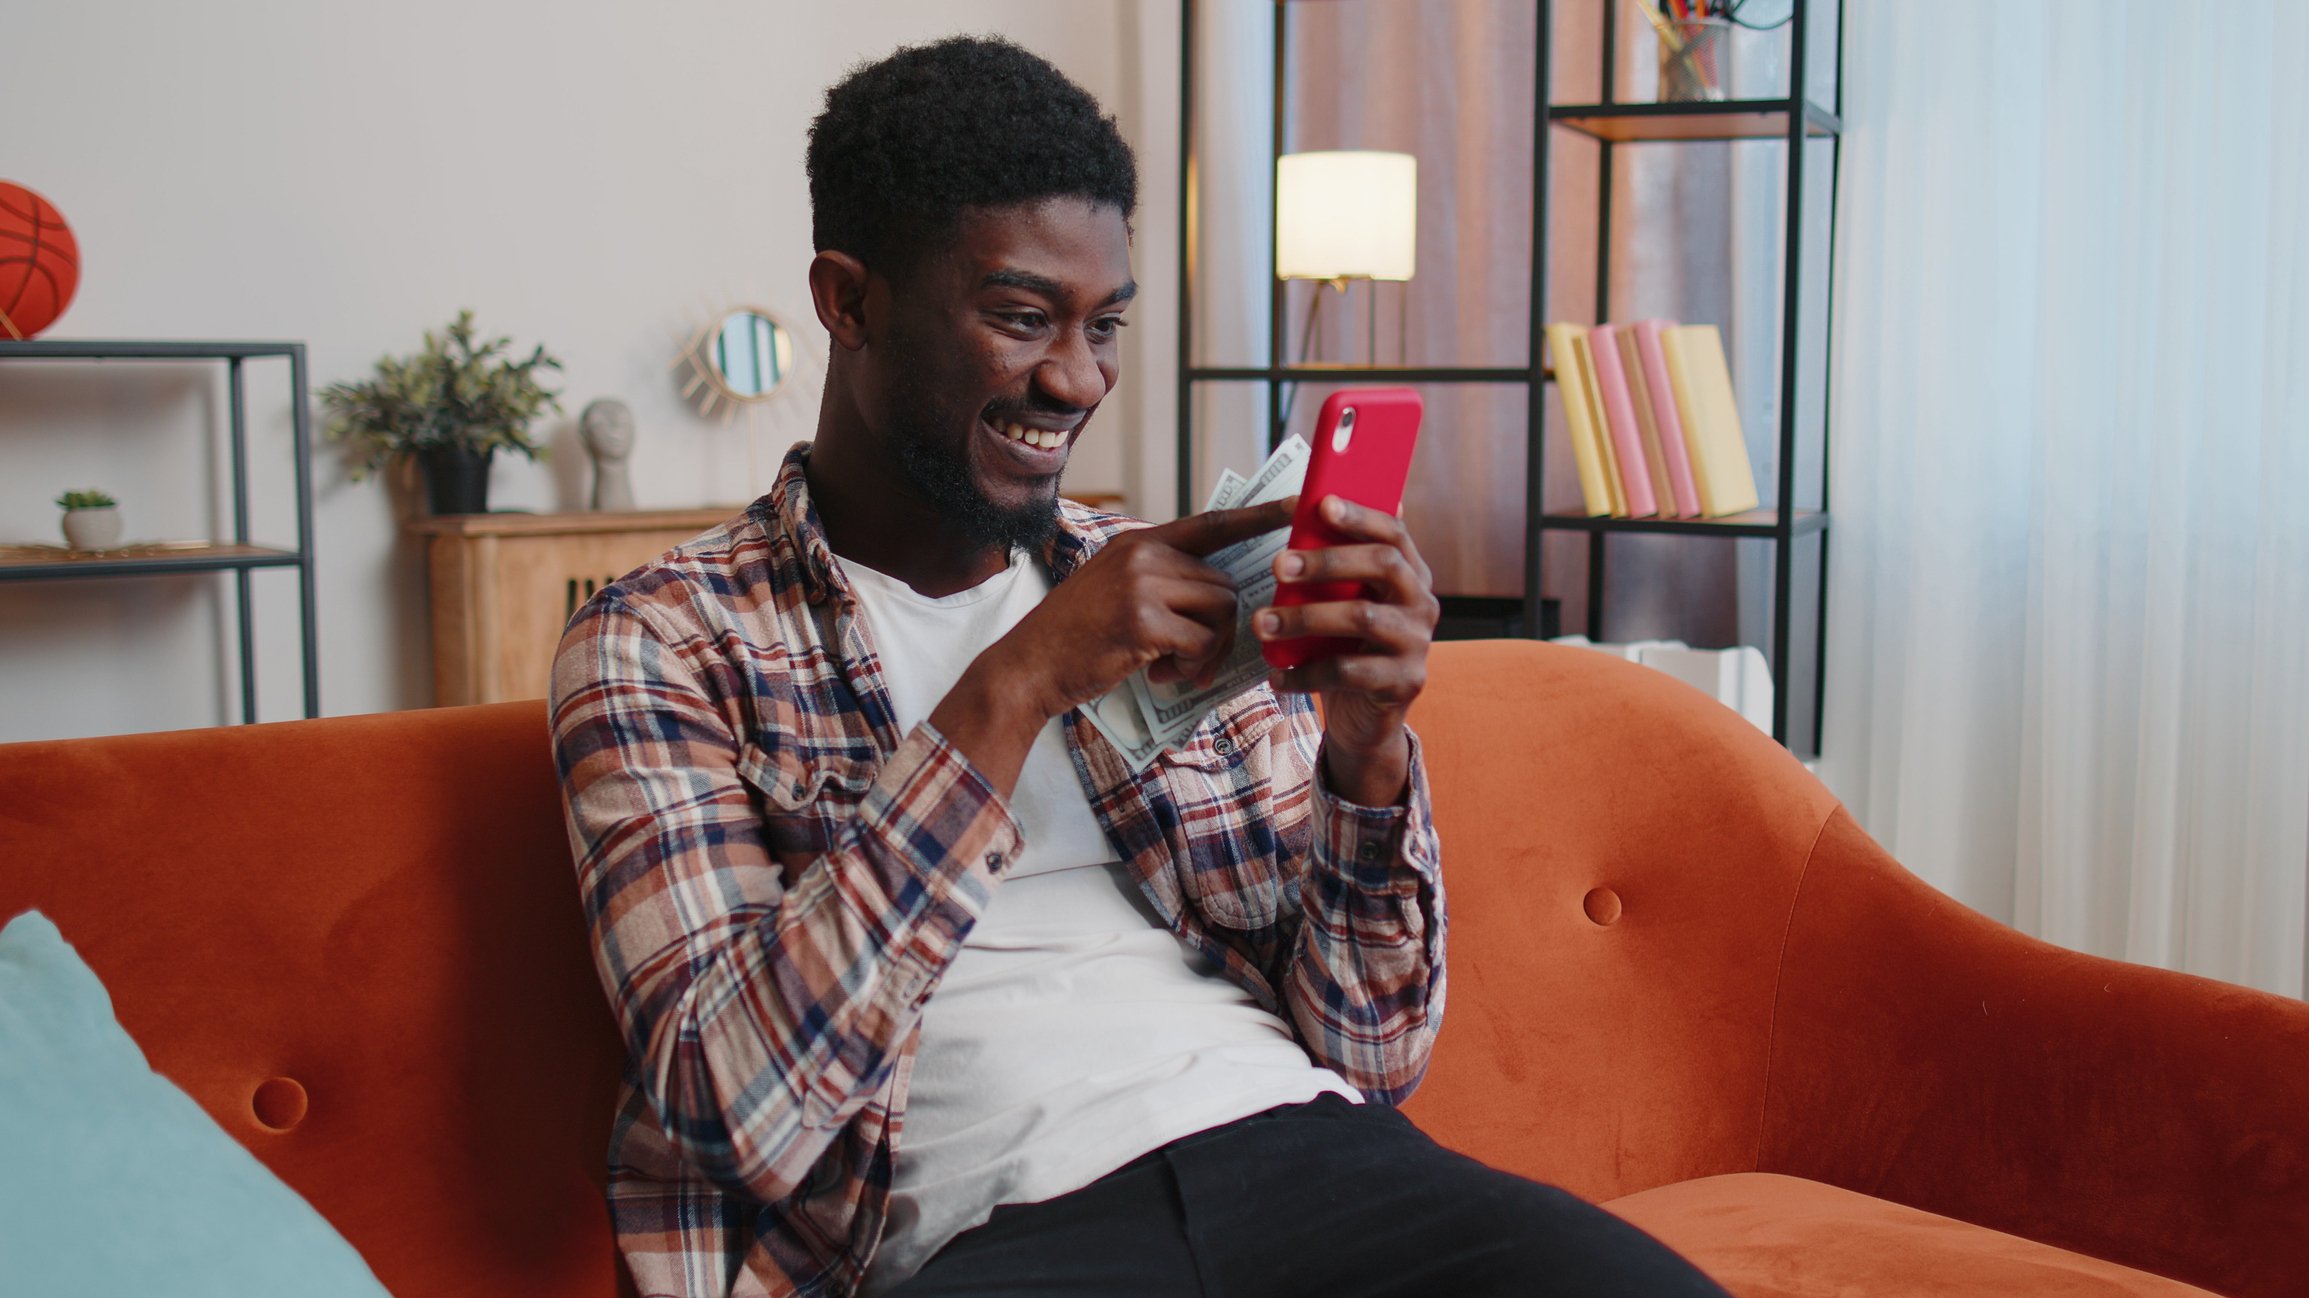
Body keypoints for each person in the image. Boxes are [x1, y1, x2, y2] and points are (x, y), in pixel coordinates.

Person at [551, 34, 1731, 1298]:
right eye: (1019, 317)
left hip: (1304, 1151)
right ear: (848, 300)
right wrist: (1012, 689)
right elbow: (734, 1112)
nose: (1074, 379)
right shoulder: (662, 639)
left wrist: (1365, 749)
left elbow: (1373, 1052)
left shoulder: (1163, 582)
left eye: (1102, 324)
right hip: (995, 1231)